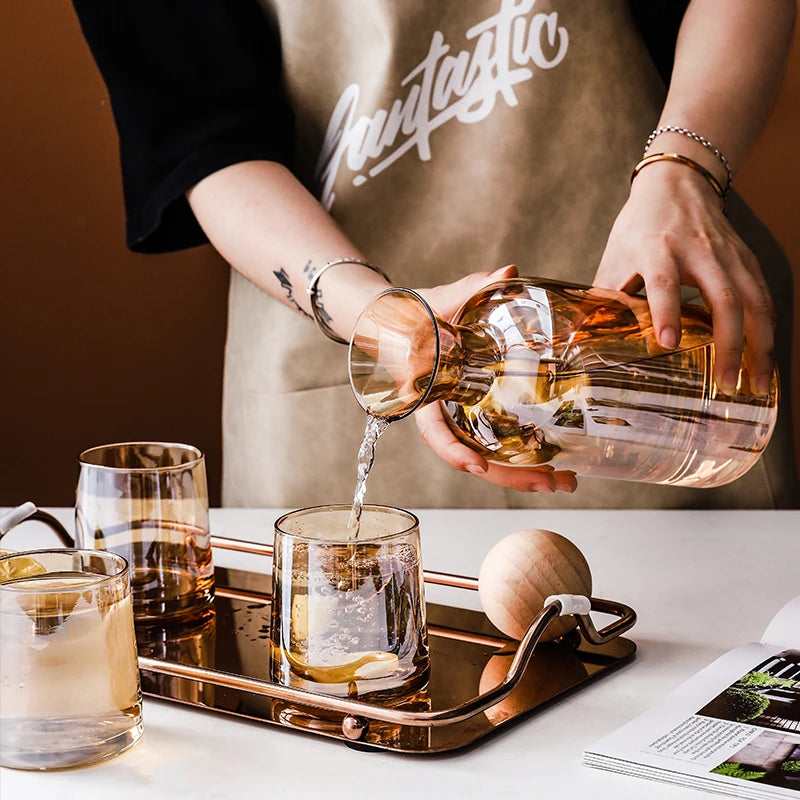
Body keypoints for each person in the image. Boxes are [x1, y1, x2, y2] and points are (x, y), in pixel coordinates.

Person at [71, 0, 799, 509]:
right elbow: (200, 138)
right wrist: (382, 320)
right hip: (331, 346)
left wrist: (683, 169)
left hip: (658, 362)